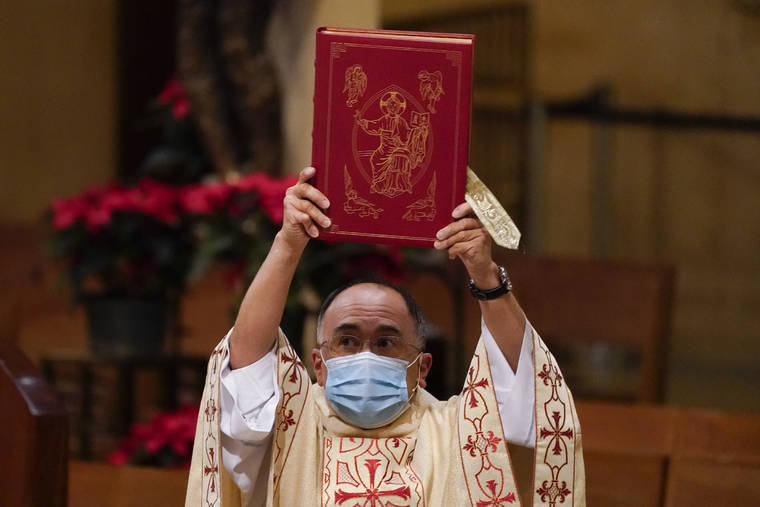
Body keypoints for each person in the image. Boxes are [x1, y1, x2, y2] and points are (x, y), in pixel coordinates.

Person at [185, 167, 585, 506]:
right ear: (318, 365)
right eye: (347, 341)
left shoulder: (459, 433)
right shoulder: (290, 428)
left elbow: (525, 389)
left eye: (386, 343)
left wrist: (485, 276)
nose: (366, 354)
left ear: (423, 366)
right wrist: (288, 243)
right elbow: (246, 362)